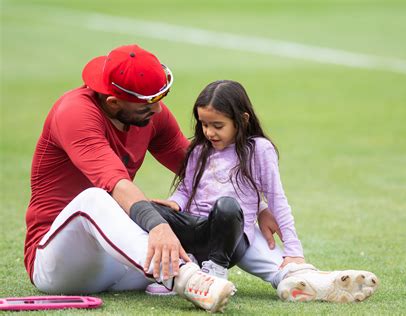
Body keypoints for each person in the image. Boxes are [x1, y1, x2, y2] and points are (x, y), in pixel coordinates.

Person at [24, 45, 243, 313]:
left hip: (121, 265)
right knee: (97, 198)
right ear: (113, 102)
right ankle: (188, 278)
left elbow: (202, 171)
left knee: (206, 220)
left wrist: (260, 206)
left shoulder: (149, 114)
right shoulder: (74, 112)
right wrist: (158, 227)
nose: (158, 110)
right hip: (59, 265)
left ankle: (283, 273)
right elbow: (114, 183)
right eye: (147, 104)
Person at [148, 80, 379, 303]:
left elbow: (277, 199)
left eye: (217, 126)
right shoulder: (200, 149)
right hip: (196, 230)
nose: (209, 132)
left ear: (242, 120)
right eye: (204, 125)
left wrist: (293, 251)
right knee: (147, 209)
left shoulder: (258, 150)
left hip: (232, 235)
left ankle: (218, 274)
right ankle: (180, 272)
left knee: (229, 210)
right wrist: (174, 203)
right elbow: (187, 188)